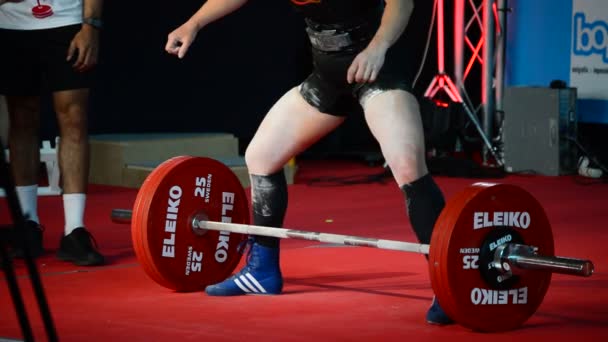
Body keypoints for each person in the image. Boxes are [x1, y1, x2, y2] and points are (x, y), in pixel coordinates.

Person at [165, 0, 452, 325]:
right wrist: (194, 23)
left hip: (375, 73)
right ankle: (262, 271)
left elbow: (402, 3)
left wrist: (377, 48)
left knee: (408, 165)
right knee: (261, 155)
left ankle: (449, 284)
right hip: (327, 81)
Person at [0, 0, 105, 266]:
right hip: (11, 24)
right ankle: (27, 224)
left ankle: (74, 230)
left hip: (67, 21)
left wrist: (90, 25)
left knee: (74, 117)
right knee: (21, 118)